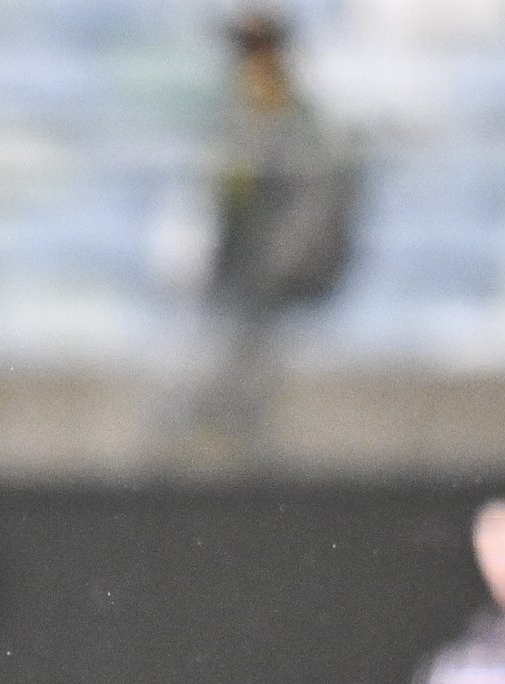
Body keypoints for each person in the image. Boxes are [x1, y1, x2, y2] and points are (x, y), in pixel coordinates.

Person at [168, 9, 356, 465]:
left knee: (241, 370)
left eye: (260, 52)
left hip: (288, 295)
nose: (251, 66)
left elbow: (318, 226)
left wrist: (270, 278)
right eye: (244, 54)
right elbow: (215, 217)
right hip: (235, 295)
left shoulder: (313, 132)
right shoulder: (231, 127)